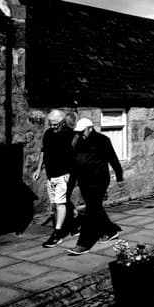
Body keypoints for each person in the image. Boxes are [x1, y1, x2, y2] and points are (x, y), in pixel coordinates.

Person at [68, 118, 124, 256]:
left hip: (99, 180)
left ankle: (83, 244)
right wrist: (70, 187)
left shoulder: (102, 140)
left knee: (91, 210)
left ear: (90, 128)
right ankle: (111, 231)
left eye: (82, 131)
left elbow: (113, 159)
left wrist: (119, 177)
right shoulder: (78, 141)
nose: (80, 134)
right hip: (84, 181)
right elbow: (75, 165)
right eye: (78, 132)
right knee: (95, 207)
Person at [33, 109, 75, 248]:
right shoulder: (48, 133)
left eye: (55, 124)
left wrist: (70, 172)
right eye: (50, 123)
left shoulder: (70, 135)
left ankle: (57, 234)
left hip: (64, 175)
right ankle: (73, 224)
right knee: (56, 204)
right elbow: (43, 151)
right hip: (51, 175)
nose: (52, 126)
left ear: (63, 122)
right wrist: (39, 168)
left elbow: (75, 155)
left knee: (60, 203)